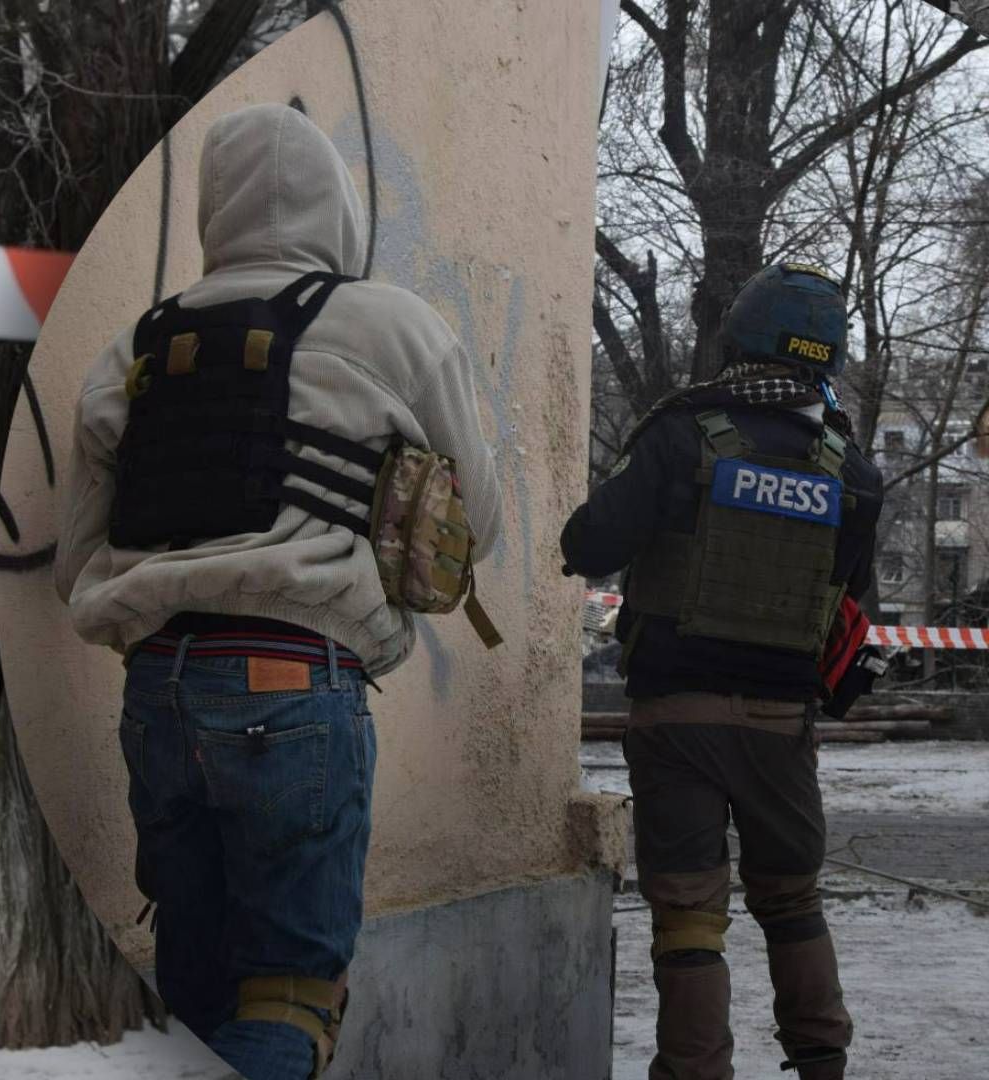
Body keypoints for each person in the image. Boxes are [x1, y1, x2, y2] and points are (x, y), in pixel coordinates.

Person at [54, 103, 502, 1080]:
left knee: (194, 985)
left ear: (212, 209)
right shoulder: (394, 326)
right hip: (295, 685)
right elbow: (480, 520)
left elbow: (74, 558)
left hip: (158, 691)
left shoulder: (134, 347)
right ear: (334, 203)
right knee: (290, 995)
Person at [560, 262, 882, 1080]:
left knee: (690, 915)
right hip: (782, 727)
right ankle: (823, 1063)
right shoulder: (852, 472)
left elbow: (589, 544)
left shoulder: (679, 434)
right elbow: (850, 605)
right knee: (793, 899)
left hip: (676, 720)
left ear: (738, 339)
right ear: (826, 357)